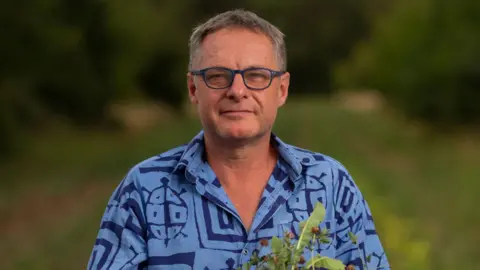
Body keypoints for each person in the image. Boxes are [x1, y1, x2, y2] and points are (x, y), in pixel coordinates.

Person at [87, 9, 390, 270]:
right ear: (193, 89)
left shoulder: (330, 184)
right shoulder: (143, 188)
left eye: (256, 75)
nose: (237, 90)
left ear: (281, 90)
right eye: (218, 76)